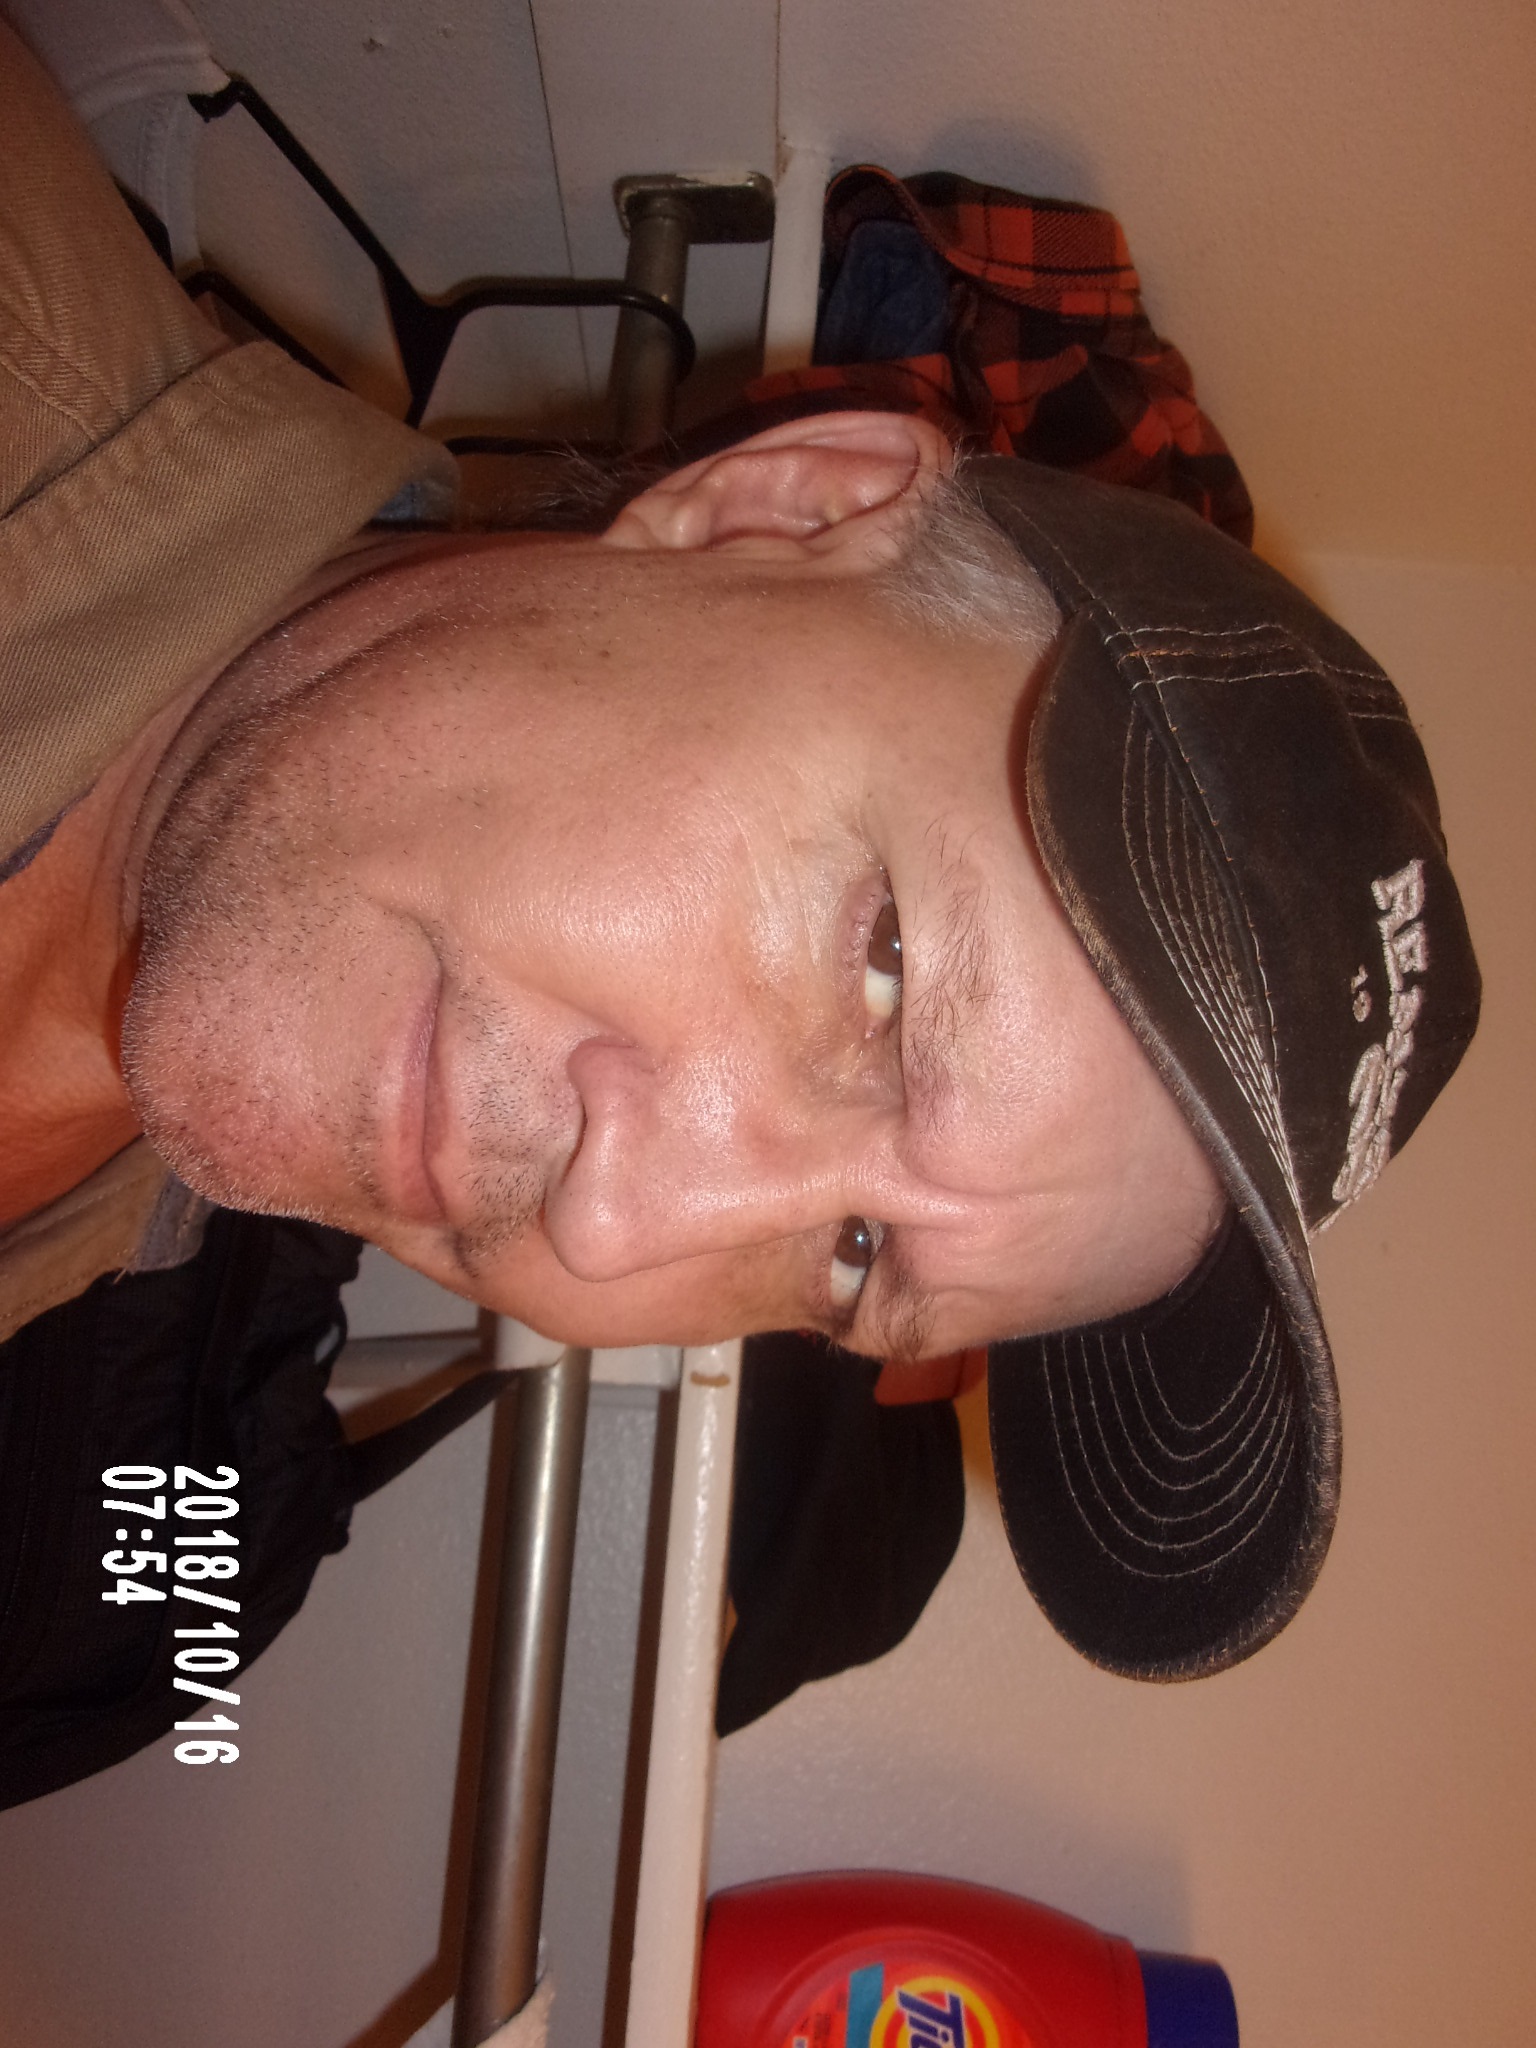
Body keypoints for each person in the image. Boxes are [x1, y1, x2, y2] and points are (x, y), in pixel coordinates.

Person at [0, 17, 1480, 1681]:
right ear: (780, 511)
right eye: (884, 965)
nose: (613, 1227)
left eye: (855, 1259)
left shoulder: (96, 1249)